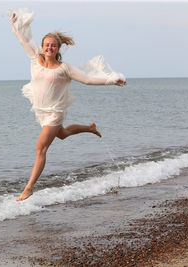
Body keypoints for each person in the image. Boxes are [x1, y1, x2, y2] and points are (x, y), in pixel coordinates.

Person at [8, 9, 126, 201]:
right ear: (42, 46)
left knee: (40, 149)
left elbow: (87, 80)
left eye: (53, 46)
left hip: (54, 112)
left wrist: (112, 81)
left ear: (58, 48)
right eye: (46, 45)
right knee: (62, 135)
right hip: (41, 111)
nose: (49, 48)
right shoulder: (35, 59)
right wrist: (15, 25)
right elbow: (23, 41)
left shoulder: (65, 69)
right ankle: (89, 128)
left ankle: (29, 188)